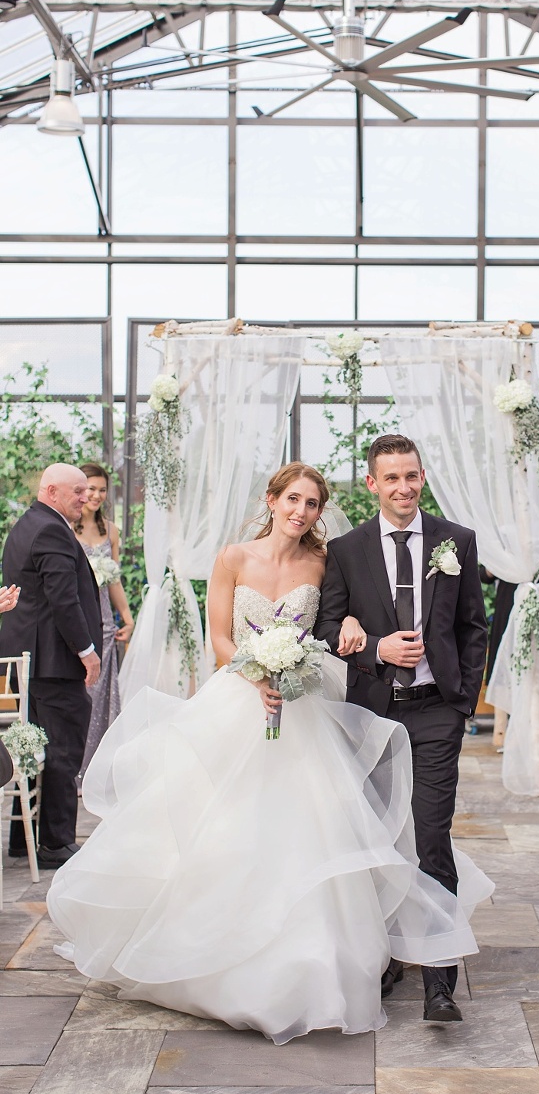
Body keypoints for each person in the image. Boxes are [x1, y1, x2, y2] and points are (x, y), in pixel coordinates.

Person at [47, 462, 492, 1043]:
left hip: (305, 705)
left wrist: (346, 622)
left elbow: (340, 612)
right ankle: (215, 952)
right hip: (238, 700)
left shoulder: (324, 561)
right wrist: (254, 672)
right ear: (272, 500)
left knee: (316, 829)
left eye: (312, 504)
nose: (301, 512)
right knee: (225, 828)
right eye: (293, 500)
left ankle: (322, 960)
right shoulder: (233, 558)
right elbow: (219, 639)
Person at [315, 434, 489, 1023]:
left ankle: (440, 979)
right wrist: (375, 649)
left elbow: (472, 626)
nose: (403, 487)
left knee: (431, 838)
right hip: (373, 714)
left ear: (423, 477)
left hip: (437, 712)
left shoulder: (456, 540)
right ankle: (387, 956)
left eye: (411, 475)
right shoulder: (346, 550)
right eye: (391, 477)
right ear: (372, 483)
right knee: (380, 840)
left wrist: (463, 702)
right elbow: (325, 629)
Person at [0, 465, 102, 867]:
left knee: (31, 747)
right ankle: (56, 843)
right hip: (53, 662)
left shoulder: (28, 524)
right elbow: (63, 598)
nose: (85, 498)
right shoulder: (51, 530)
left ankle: (22, 839)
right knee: (62, 748)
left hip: (31, 662)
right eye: (78, 491)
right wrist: (86, 650)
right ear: (52, 490)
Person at [72, 463, 134, 780]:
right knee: (82, 694)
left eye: (102, 490)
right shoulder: (66, 528)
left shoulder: (111, 530)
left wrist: (128, 617)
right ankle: (74, 769)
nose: (96, 495)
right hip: (78, 618)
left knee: (103, 698)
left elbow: (114, 579)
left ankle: (96, 772)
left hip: (105, 622)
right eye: (91, 488)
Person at [484, 524, 539, 688]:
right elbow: (484, 574)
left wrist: (522, 565)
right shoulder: (501, 533)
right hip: (508, 602)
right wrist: (496, 565)